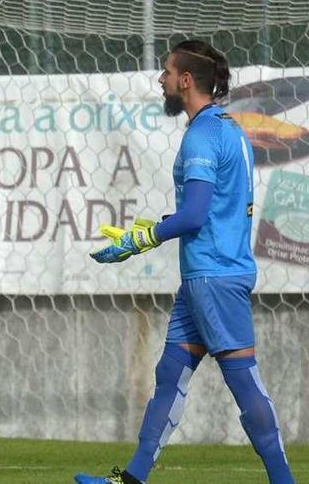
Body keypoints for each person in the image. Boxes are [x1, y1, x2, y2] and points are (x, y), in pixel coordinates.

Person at [76, 40, 294, 484]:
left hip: (214, 277)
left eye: (167, 72)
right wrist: (156, 226)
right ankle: (132, 478)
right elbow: (210, 210)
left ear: (186, 81)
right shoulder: (229, 127)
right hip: (205, 276)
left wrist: (142, 239)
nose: (161, 80)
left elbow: (195, 214)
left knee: (243, 382)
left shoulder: (202, 134)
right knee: (170, 372)